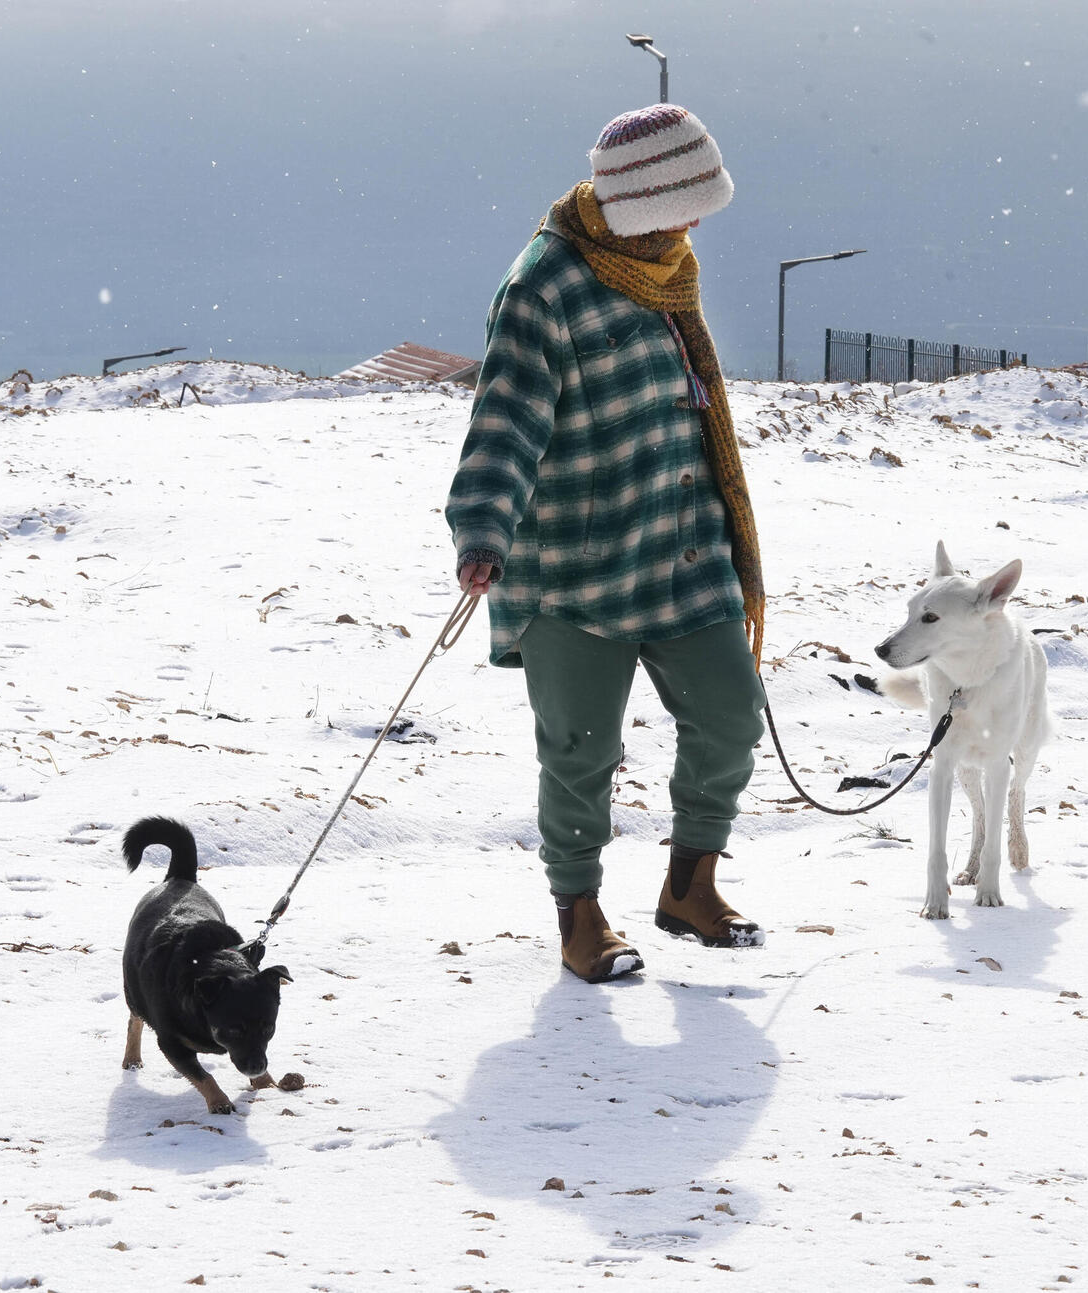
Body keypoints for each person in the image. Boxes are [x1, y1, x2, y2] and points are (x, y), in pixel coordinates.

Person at [446, 104, 768, 984]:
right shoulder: (543, 287)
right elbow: (505, 419)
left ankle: (689, 886)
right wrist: (482, 526)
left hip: (684, 548)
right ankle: (580, 914)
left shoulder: (664, 263)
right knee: (582, 749)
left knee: (732, 715)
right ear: (637, 201)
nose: (697, 221)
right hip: (576, 566)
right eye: (685, 201)